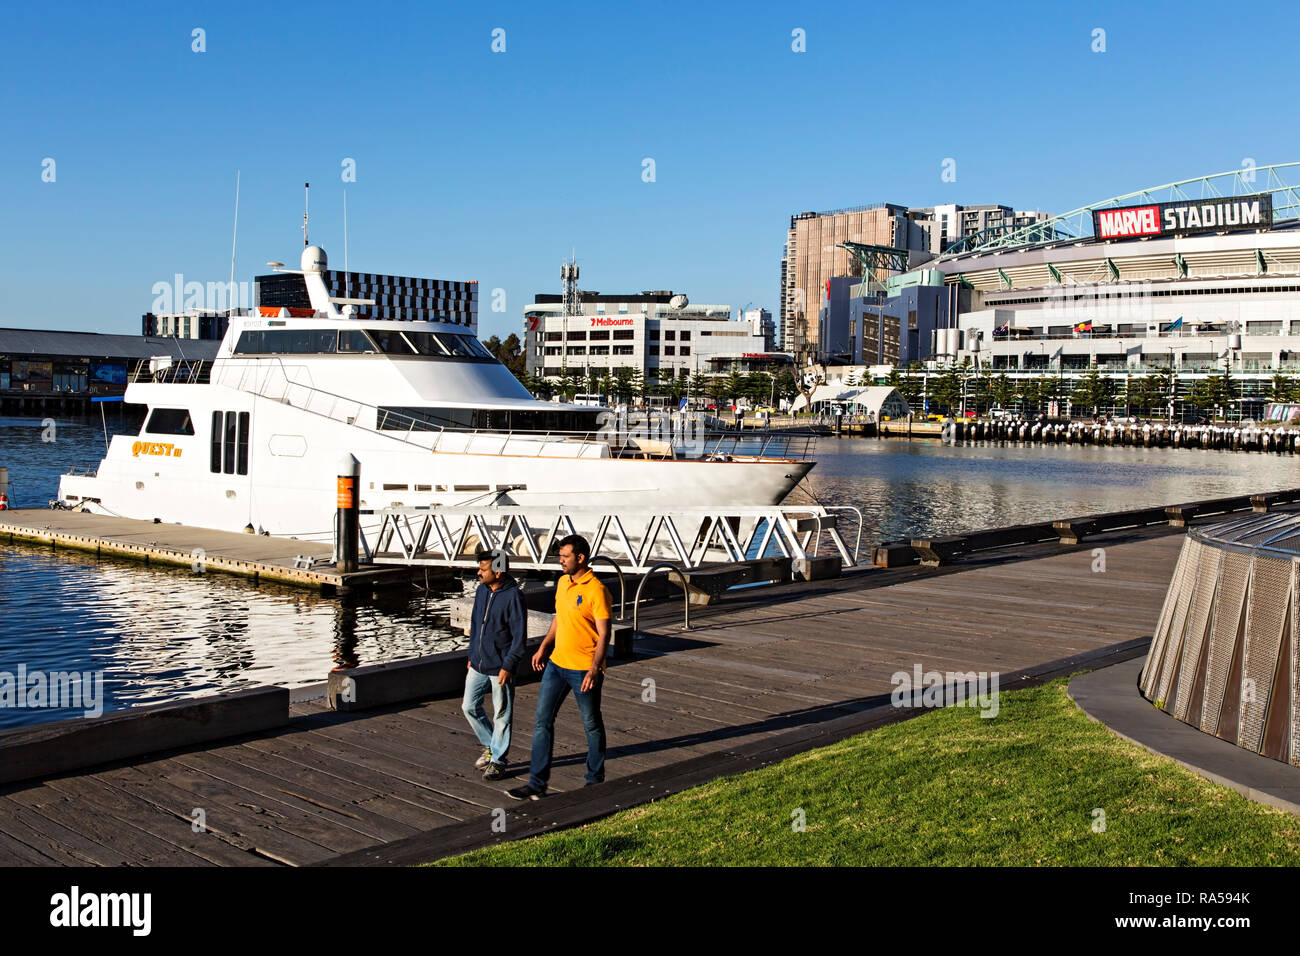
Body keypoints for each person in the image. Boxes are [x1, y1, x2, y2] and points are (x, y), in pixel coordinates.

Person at [507, 534, 611, 800]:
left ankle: (595, 780)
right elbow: (558, 619)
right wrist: (543, 647)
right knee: (542, 721)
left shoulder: (596, 590)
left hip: (582, 669)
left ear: (580, 558)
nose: (560, 561)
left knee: (591, 724)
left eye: (565, 557)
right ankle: (537, 784)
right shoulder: (564, 582)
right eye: (560, 556)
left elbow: (605, 633)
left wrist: (594, 669)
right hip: (556, 664)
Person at [462, 549, 527, 780]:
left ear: (498, 572)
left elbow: (519, 638)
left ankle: (499, 760)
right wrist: (472, 654)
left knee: (502, 713)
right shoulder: (481, 590)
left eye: (483, 569)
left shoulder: (513, 597)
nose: (478, 573)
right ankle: (491, 745)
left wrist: (508, 665)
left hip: (501, 666)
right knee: (469, 706)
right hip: (479, 663)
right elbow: (475, 623)